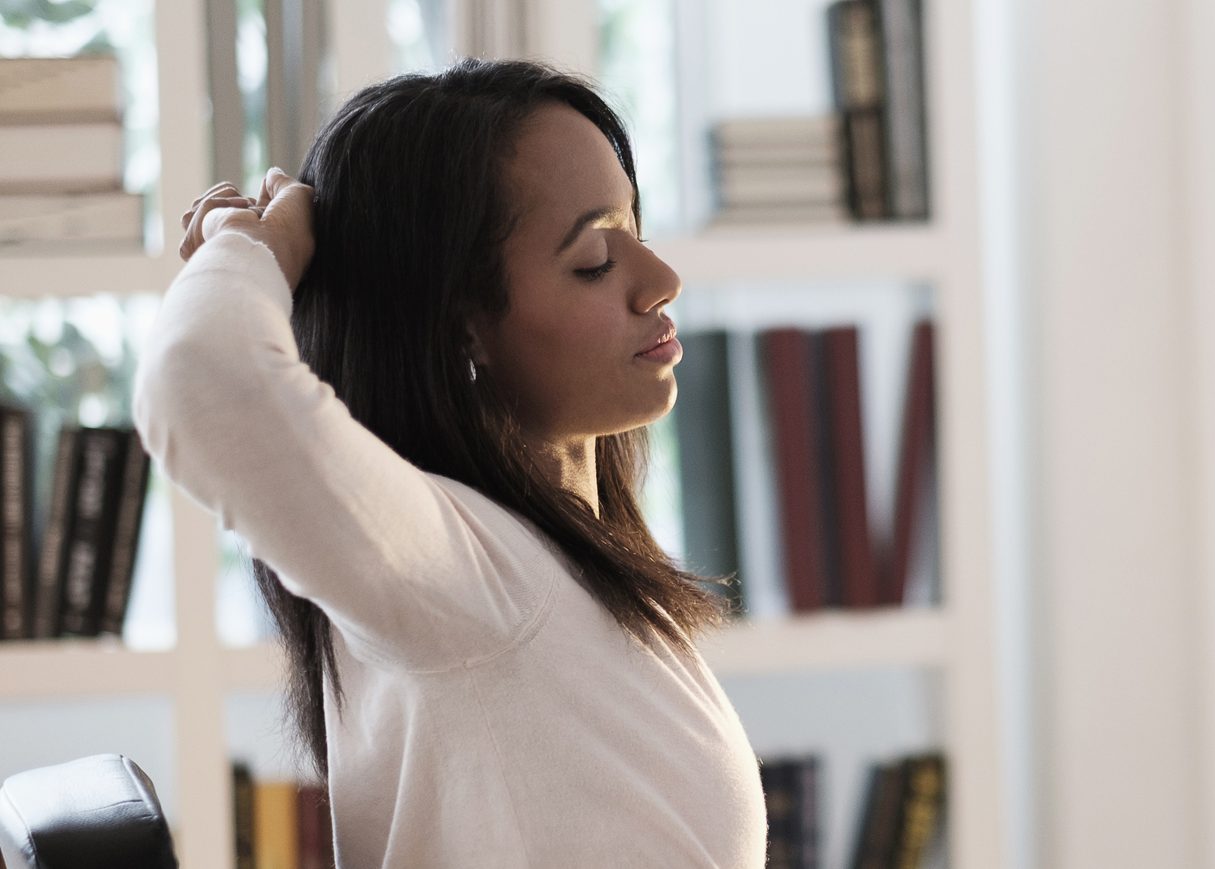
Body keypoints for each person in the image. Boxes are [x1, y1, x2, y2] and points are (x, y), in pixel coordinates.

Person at [133, 58, 765, 866]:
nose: (662, 281)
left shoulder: (554, 578)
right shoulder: (471, 583)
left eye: (635, 233)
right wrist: (250, 248)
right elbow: (205, 381)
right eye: (594, 262)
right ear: (462, 327)